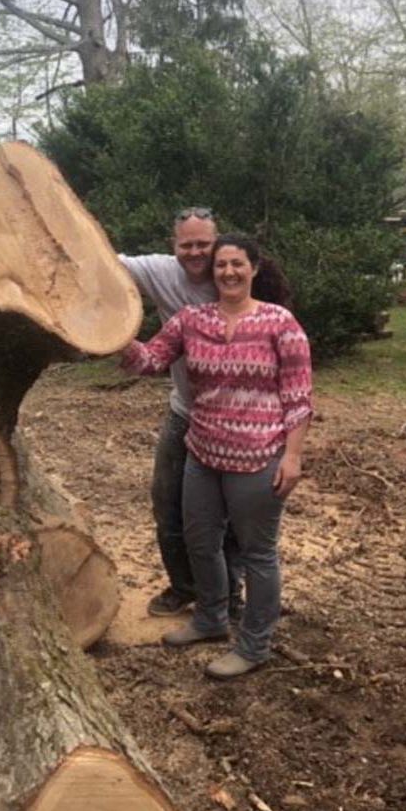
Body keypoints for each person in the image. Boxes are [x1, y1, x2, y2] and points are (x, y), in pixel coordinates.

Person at [121, 234, 312, 680]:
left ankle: (254, 644)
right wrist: (115, 335)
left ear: (254, 269)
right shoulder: (192, 320)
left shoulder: (279, 323)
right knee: (201, 541)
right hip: (202, 454)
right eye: (221, 265)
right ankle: (210, 618)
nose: (228, 272)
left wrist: (293, 456)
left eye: (237, 264)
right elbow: (150, 360)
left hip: (258, 458)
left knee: (257, 553)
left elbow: (299, 396)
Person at [119, 209, 242, 619]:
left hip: (235, 420)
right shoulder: (159, 271)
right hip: (184, 410)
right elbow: (101, 263)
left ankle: (232, 594)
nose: (195, 252)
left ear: (216, 241)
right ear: (173, 246)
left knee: (228, 512)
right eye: (186, 244)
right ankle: (184, 586)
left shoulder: (232, 273)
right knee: (166, 502)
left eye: (203, 244)